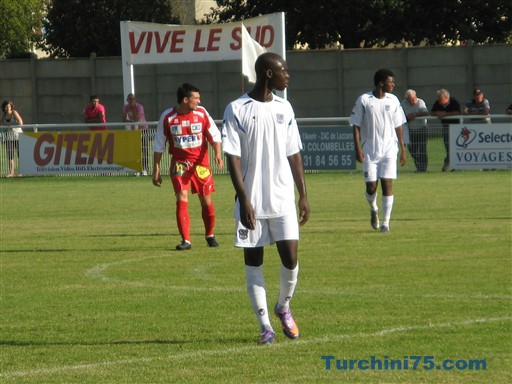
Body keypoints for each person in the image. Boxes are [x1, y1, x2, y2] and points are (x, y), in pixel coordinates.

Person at [222, 52, 310, 345]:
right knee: (254, 261)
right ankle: (265, 327)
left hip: (283, 197)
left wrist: (303, 195)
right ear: (269, 74)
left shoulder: (285, 107)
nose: (289, 75)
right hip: (252, 202)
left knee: (291, 259)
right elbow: (232, 156)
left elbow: (294, 152)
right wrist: (244, 199)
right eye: (284, 70)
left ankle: (283, 307)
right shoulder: (237, 108)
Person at [152, 83, 223, 250]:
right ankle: (186, 240)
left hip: (200, 164)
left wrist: (218, 154)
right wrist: (156, 169)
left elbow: (214, 134)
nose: (199, 101)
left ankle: (210, 234)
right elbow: (159, 144)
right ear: (185, 100)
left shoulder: (202, 113)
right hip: (180, 164)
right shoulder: (168, 117)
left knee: (205, 200)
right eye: (196, 98)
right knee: (181, 198)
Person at [351, 69, 407, 233]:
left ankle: (386, 223)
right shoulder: (364, 100)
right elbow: (356, 125)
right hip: (370, 151)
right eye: (391, 81)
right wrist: (357, 148)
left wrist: (403, 149)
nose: (393, 85)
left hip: (389, 150)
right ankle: (374, 208)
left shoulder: (394, 100)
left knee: (387, 185)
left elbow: (399, 125)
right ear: (381, 83)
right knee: (371, 188)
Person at [430, 89, 461, 172]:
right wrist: (437, 113)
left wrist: (445, 114)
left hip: (456, 128)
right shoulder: (437, 103)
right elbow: (432, 112)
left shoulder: (454, 102)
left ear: (446, 97)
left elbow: (457, 112)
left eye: (440, 98)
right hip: (445, 128)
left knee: (456, 148)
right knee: (448, 148)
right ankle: (448, 165)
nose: (439, 101)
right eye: (438, 98)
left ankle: (455, 166)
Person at [400, 89, 430, 172]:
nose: (412, 100)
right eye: (410, 99)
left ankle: (423, 168)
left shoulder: (421, 102)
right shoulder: (403, 104)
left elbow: (426, 113)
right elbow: (400, 116)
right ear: (407, 99)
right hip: (411, 130)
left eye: (413, 98)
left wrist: (415, 115)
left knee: (422, 149)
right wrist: (407, 117)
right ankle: (419, 165)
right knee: (412, 149)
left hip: (422, 128)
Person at [122, 93, 149, 175]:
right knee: (135, 149)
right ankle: (136, 168)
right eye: (130, 99)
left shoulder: (139, 107)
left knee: (144, 149)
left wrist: (133, 108)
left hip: (143, 129)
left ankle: (144, 169)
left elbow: (137, 119)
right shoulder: (126, 107)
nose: (131, 101)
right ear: (127, 100)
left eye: (133, 99)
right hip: (134, 131)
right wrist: (131, 122)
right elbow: (123, 119)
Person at [1, 100, 23, 178]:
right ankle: (11, 172)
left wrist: (12, 125)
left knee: (20, 154)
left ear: (11, 106)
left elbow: (20, 122)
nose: (8, 108)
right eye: (6, 106)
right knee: (10, 155)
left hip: (17, 135)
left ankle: (21, 172)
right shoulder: (3, 115)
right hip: (9, 136)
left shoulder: (14, 112)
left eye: (9, 106)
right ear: (4, 107)